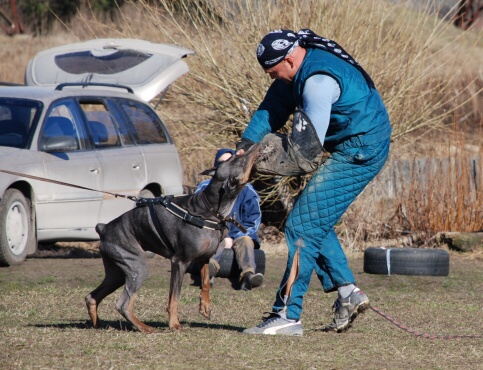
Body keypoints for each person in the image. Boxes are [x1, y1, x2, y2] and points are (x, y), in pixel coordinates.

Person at [238, 29, 392, 336]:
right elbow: (271, 110)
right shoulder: (293, 72)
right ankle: (349, 293)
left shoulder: (317, 83)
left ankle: (287, 315)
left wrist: (255, 161)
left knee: (301, 225)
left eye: (272, 72)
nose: (271, 78)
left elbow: (304, 154)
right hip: (354, 141)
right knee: (313, 218)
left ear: (290, 60)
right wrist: (243, 148)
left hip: (362, 149)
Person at [196, 148, 264, 291]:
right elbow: (197, 214)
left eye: (230, 161)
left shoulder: (247, 190)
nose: (226, 165)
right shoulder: (204, 187)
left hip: (240, 235)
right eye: (222, 162)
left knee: (246, 240)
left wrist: (236, 236)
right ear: (216, 165)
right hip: (213, 233)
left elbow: (254, 218)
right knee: (216, 239)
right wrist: (219, 234)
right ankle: (209, 271)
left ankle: (248, 276)